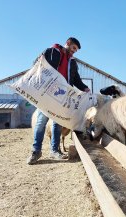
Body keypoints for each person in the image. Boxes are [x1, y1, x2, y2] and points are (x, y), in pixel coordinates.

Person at [27, 37, 90, 165]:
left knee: (57, 123)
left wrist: (84, 88)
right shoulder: (52, 52)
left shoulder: (72, 62)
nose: (74, 52)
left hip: (61, 96)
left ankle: (54, 151)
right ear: (67, 43)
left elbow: (76, 79)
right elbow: (38, 66)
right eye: (73, 48)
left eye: (76, 50)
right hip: (46, 94)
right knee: (41, 121)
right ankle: (36, 151)